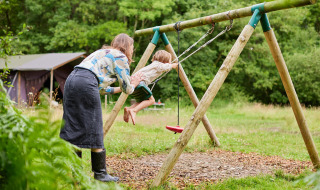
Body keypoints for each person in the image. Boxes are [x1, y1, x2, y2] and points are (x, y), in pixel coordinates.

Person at [60, 33, 143, 182]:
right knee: (94, 124)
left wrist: (120, 88)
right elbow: (127, 89)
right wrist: (134, 82)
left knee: (73, 125)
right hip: (86, 82)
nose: (132, 50)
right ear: (127, 47)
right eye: (132, 47)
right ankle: (100, 174)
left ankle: (76, 174)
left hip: (72, 80)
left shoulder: (102, 53)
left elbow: (101, 89)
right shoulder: (120, 57)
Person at [108, 50, 178, 125]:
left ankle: (129, 109)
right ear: (165, 60)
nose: (170, 63)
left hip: (135, 83)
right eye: (169, 61)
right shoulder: (158, 65)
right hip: (140, 83)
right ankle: (134, 111)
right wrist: (173, 65)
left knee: (143, 101)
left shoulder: (154, 65)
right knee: (152, 101)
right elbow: (165, 67)